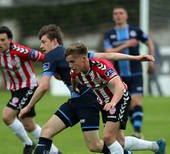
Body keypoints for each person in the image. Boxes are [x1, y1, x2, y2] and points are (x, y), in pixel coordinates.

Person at [19, 24, 165, 154]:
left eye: (44, 41)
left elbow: (44, 86)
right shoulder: (74, 58)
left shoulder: (55, 57)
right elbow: (108, 55)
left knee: (103, 141)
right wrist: (136, 57)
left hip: (102, 99)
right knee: (116, 141)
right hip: (88, 101)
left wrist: (28, 106)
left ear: (54, 41)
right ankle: (155, 146)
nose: (41, 46)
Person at [0, 26, 61, 154]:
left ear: (10, 40)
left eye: (3, 40)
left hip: (28, 86)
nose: (0, 43)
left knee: (7, 116)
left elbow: (41, 57)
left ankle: (28, 144)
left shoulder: (21, 51)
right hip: (14, 89)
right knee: (28, 124)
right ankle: (55, 152)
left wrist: (56, 67)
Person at [103, 6, 155, 139]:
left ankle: (137, 131)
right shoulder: (109, 34)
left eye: (121, 13)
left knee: (137, 101)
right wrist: (125, 45)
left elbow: (149, 41)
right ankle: (135, 129)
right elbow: (108, 52)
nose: (118, 15)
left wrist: (151, 61)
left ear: (126, 16)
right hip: (118, 76)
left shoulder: (135, 31)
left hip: (136, 72)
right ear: (113, 17)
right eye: (116, 13)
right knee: (127, 104)